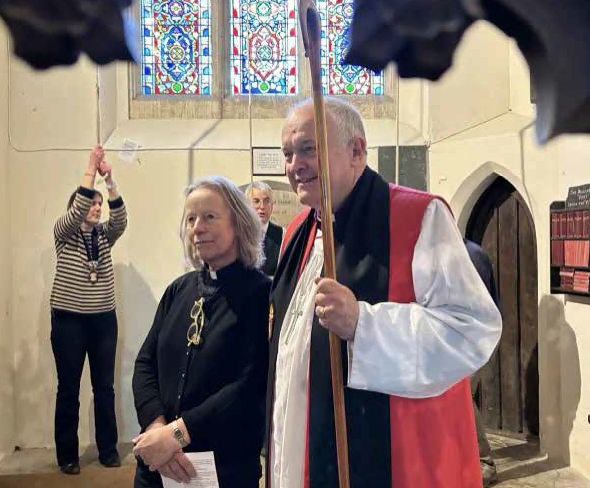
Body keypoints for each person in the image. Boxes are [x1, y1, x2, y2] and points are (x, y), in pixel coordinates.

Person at [266, 98, 503, 488]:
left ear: (357, 150)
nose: (295, 166)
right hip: (298, 449)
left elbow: (471, 328)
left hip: (399, 458)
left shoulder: (419, 217)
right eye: (288, 153)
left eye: (308, 149)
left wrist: (365, 323)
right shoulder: (297, 234)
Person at [132, 176, 271, 488]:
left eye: (209, 217)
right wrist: (158, 430)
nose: (197, 227)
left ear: (239, 224)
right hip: (159, 463)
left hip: (223, 468)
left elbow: (249, 385)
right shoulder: (177, 290)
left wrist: (178, 433)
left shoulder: (261, 294)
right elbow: (145, 364)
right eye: (191, 218)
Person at [50, 145, 127, 475]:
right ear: (76, 208)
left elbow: (120, 219)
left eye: (98, 205)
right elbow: (80, 200)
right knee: (68, 389)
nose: (95, 208)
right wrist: (90, 169)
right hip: (68, 321)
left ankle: (108, 449)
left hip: (103, 322)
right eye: (90, 204)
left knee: (104, 387)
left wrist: (109, 181)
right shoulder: (63, 233)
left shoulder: (104, 236)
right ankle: (67, 455)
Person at [464, 239, 500, 487]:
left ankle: (485, 463)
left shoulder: (471, 254)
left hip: (478, 338)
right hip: (465, 338)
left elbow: (477, 307)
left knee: (461, 394)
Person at [245, 181, 284, 276]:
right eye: (256, 201)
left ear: (272, 206)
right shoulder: (239, 233)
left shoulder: (283, 234)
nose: (262, 207)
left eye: (266, 201)